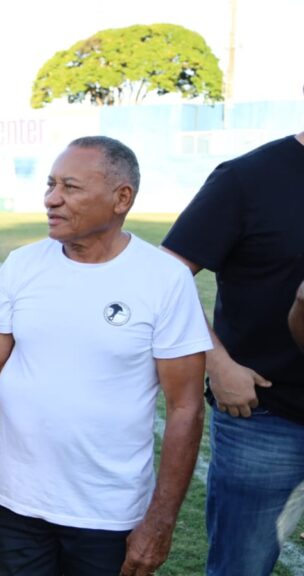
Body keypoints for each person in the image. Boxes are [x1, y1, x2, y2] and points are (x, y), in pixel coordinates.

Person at [0, 136, 211, 576]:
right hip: (17, 504)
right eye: (50, 185)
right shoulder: (22, 265)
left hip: (108, 516)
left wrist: (161, 522)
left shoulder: (164, 280)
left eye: (70, 187)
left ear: (120, 198)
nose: (52, 199)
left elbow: (186, 408)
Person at [161, 126, 304, 575]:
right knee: (242, 566)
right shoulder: (247, 178)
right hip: (265, 413)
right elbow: (167, 276)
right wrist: (217, 361)